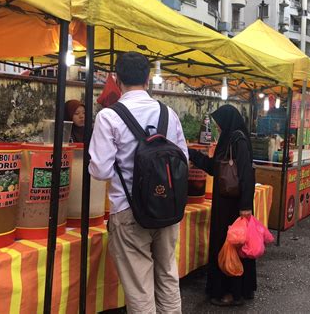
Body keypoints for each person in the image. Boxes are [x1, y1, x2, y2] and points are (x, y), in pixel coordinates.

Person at [88, 52, 187, 313]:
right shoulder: (169, 114)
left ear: (117, 79)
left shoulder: (109, 117)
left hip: (128, 212)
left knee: (140, 288)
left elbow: (100, 171)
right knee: (167, 276)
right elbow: (183, 161)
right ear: (148, 78)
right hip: (167, 209)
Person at [188, 105, 256, 307]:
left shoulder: (238, 140)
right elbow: (214, 168)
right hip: (223, 204)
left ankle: (233, 292)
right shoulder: (227, 140)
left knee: (233, 246)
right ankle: (224, 288)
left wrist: (245, 206)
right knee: (223, 245)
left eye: (219, 123)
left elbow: (246, 175)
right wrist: (193, 155)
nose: (217, 127)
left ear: (227, 121)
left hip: (234, 207)